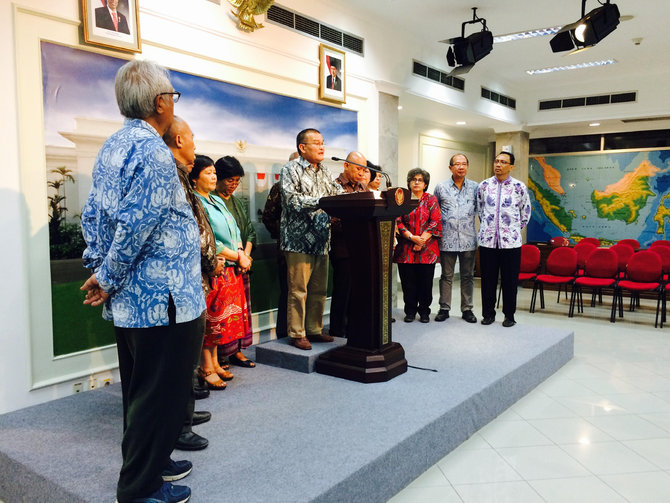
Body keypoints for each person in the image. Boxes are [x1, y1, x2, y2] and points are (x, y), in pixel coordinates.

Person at [80, 60, 199, 503]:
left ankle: (154, 457)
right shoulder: (151, 150)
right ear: (159, 102)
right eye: (173, 95)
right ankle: (140, 489)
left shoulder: (113, 145)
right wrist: (106, 277)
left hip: (134, 302)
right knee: (158, 394)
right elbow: (137, 223)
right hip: (163, 300)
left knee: (141, 390)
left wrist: (101, 270)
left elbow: (92, 214)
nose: (173, 102)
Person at [163, 119, 219, 452]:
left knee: (188, 357)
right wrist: (211, 262)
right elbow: (192, 233)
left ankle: (186, 413)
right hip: (184, 280)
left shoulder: (179, 175)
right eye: (193, 140)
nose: (195, 147)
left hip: (194, 279)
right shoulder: (170, 177)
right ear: (179, 139)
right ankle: (179, 426)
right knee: (181, 358)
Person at [190, 157, 251, 389]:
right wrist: (240, 257)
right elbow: (210, 239)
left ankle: (215, 362)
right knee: (211, 318)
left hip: (230, 267)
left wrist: (240, 252)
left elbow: (234, 229)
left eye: (215, 172)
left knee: (222, 320)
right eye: (208, 173)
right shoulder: (196, 202)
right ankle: (205, 366)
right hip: (213, 268)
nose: (214, 177)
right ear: (195, 178)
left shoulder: (216, 199)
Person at [280, 128, 342, 350]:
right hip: (298, 242)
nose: (322, 147)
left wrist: (352, 199)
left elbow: (338, 194)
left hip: (321, 240)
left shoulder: (324, 171)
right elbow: (292, 200)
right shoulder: (290, 169)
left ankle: (314, 330)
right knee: (298, 291)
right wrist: (323, 202)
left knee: (319, 290)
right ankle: (297, 333)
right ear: (302, 147)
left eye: (323, 142)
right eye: (316, 143)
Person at [477, 151, 532, 327]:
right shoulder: (484, 186)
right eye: (496, 161)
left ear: (511, 166)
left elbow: (526, 212)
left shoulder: (519, 187)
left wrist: (513, 229)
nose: (498, 165)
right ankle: (488, 314)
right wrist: (489, 228)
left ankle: (509, 315)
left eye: (503, 162)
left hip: (511, 243)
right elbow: (480, 210)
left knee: (509, 281)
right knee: (488, 280)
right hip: (487, 242)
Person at [213, 156, 257, 368]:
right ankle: (221, 356)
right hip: (224, 265)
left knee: (240, 313)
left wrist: (245, 256)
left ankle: (237, 351)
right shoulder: (210, 200)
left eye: (237, 180)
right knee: (223, 314)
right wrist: (238, 257)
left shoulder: (237, 202)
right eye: (230, 180)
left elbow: (249, 231)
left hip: (242, 264)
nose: (233, 185)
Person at [433, 154, 478, 324]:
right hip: (447, 240)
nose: (461, 167)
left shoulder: (475, 187)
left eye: (464, 164)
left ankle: (467, 309)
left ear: (467, 166)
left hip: (468, 240)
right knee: (447, 276)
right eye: (457, 164)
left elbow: (481, 212)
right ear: (450, 167)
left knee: (467, 276)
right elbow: (434, 213)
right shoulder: (441, 187)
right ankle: (444, 308)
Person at [394, 168, 442, 323]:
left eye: (420, 180)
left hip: (427, 249)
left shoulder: (431, 200)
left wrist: (421, 241)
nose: (416, 182)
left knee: (425, 283)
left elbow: (436, 222)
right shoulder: (402, 199)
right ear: (409, 182)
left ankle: (424, 311)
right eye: (413, 179)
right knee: (408, 283)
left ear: (425, 183)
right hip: (406, 249)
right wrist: (412, 238)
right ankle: (410, 311)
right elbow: (398, 222)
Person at [329, 151, 368, 338]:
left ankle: (354, 326)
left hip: (361, 246)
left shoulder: (363, 187)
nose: (362, 173)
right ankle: (338, 329)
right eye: (358, 168)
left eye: (364, 169)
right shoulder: (335, 186)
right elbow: (332, 218)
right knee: (343, 289)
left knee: (358, 291)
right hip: (342, 246)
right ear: (346, 166)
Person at [261, 152, 299, 339]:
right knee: (288, 291)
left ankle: (303, 330)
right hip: (286, 249)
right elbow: (268, 216)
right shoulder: (279, 188)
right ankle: (284, 333)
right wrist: (284, 234)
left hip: (312, 250)